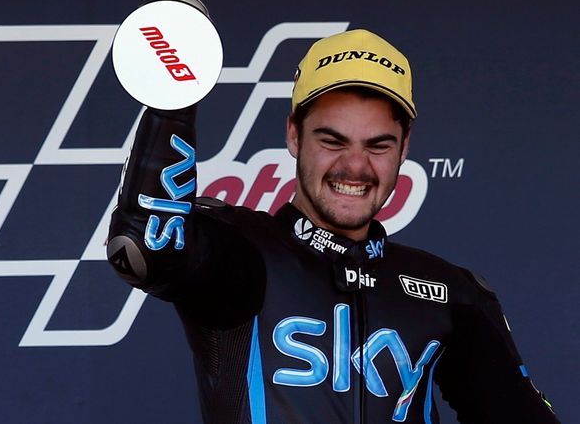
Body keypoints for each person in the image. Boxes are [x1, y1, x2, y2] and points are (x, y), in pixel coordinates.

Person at [107, 28, 559, 423]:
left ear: (404, 149)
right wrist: (174, 98)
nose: (355, 167)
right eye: (332, 140)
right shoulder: (243, 255)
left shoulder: (448, 290)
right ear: (293, 135)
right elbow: (145, 247)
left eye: (378, 145)